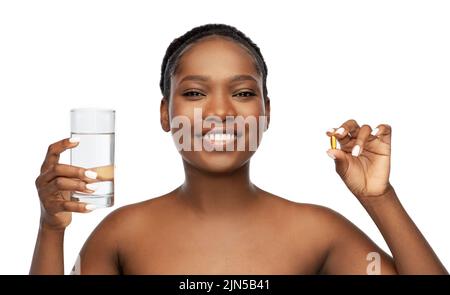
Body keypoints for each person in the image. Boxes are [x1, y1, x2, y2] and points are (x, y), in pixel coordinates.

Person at [30, 24, 447, 275]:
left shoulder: (317, 232)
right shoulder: (122, 234)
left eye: (244, 92)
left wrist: (380, 199)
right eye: (194, 92)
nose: (220, 111)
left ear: (266, 112)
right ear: (164, 113)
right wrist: (51, 230)